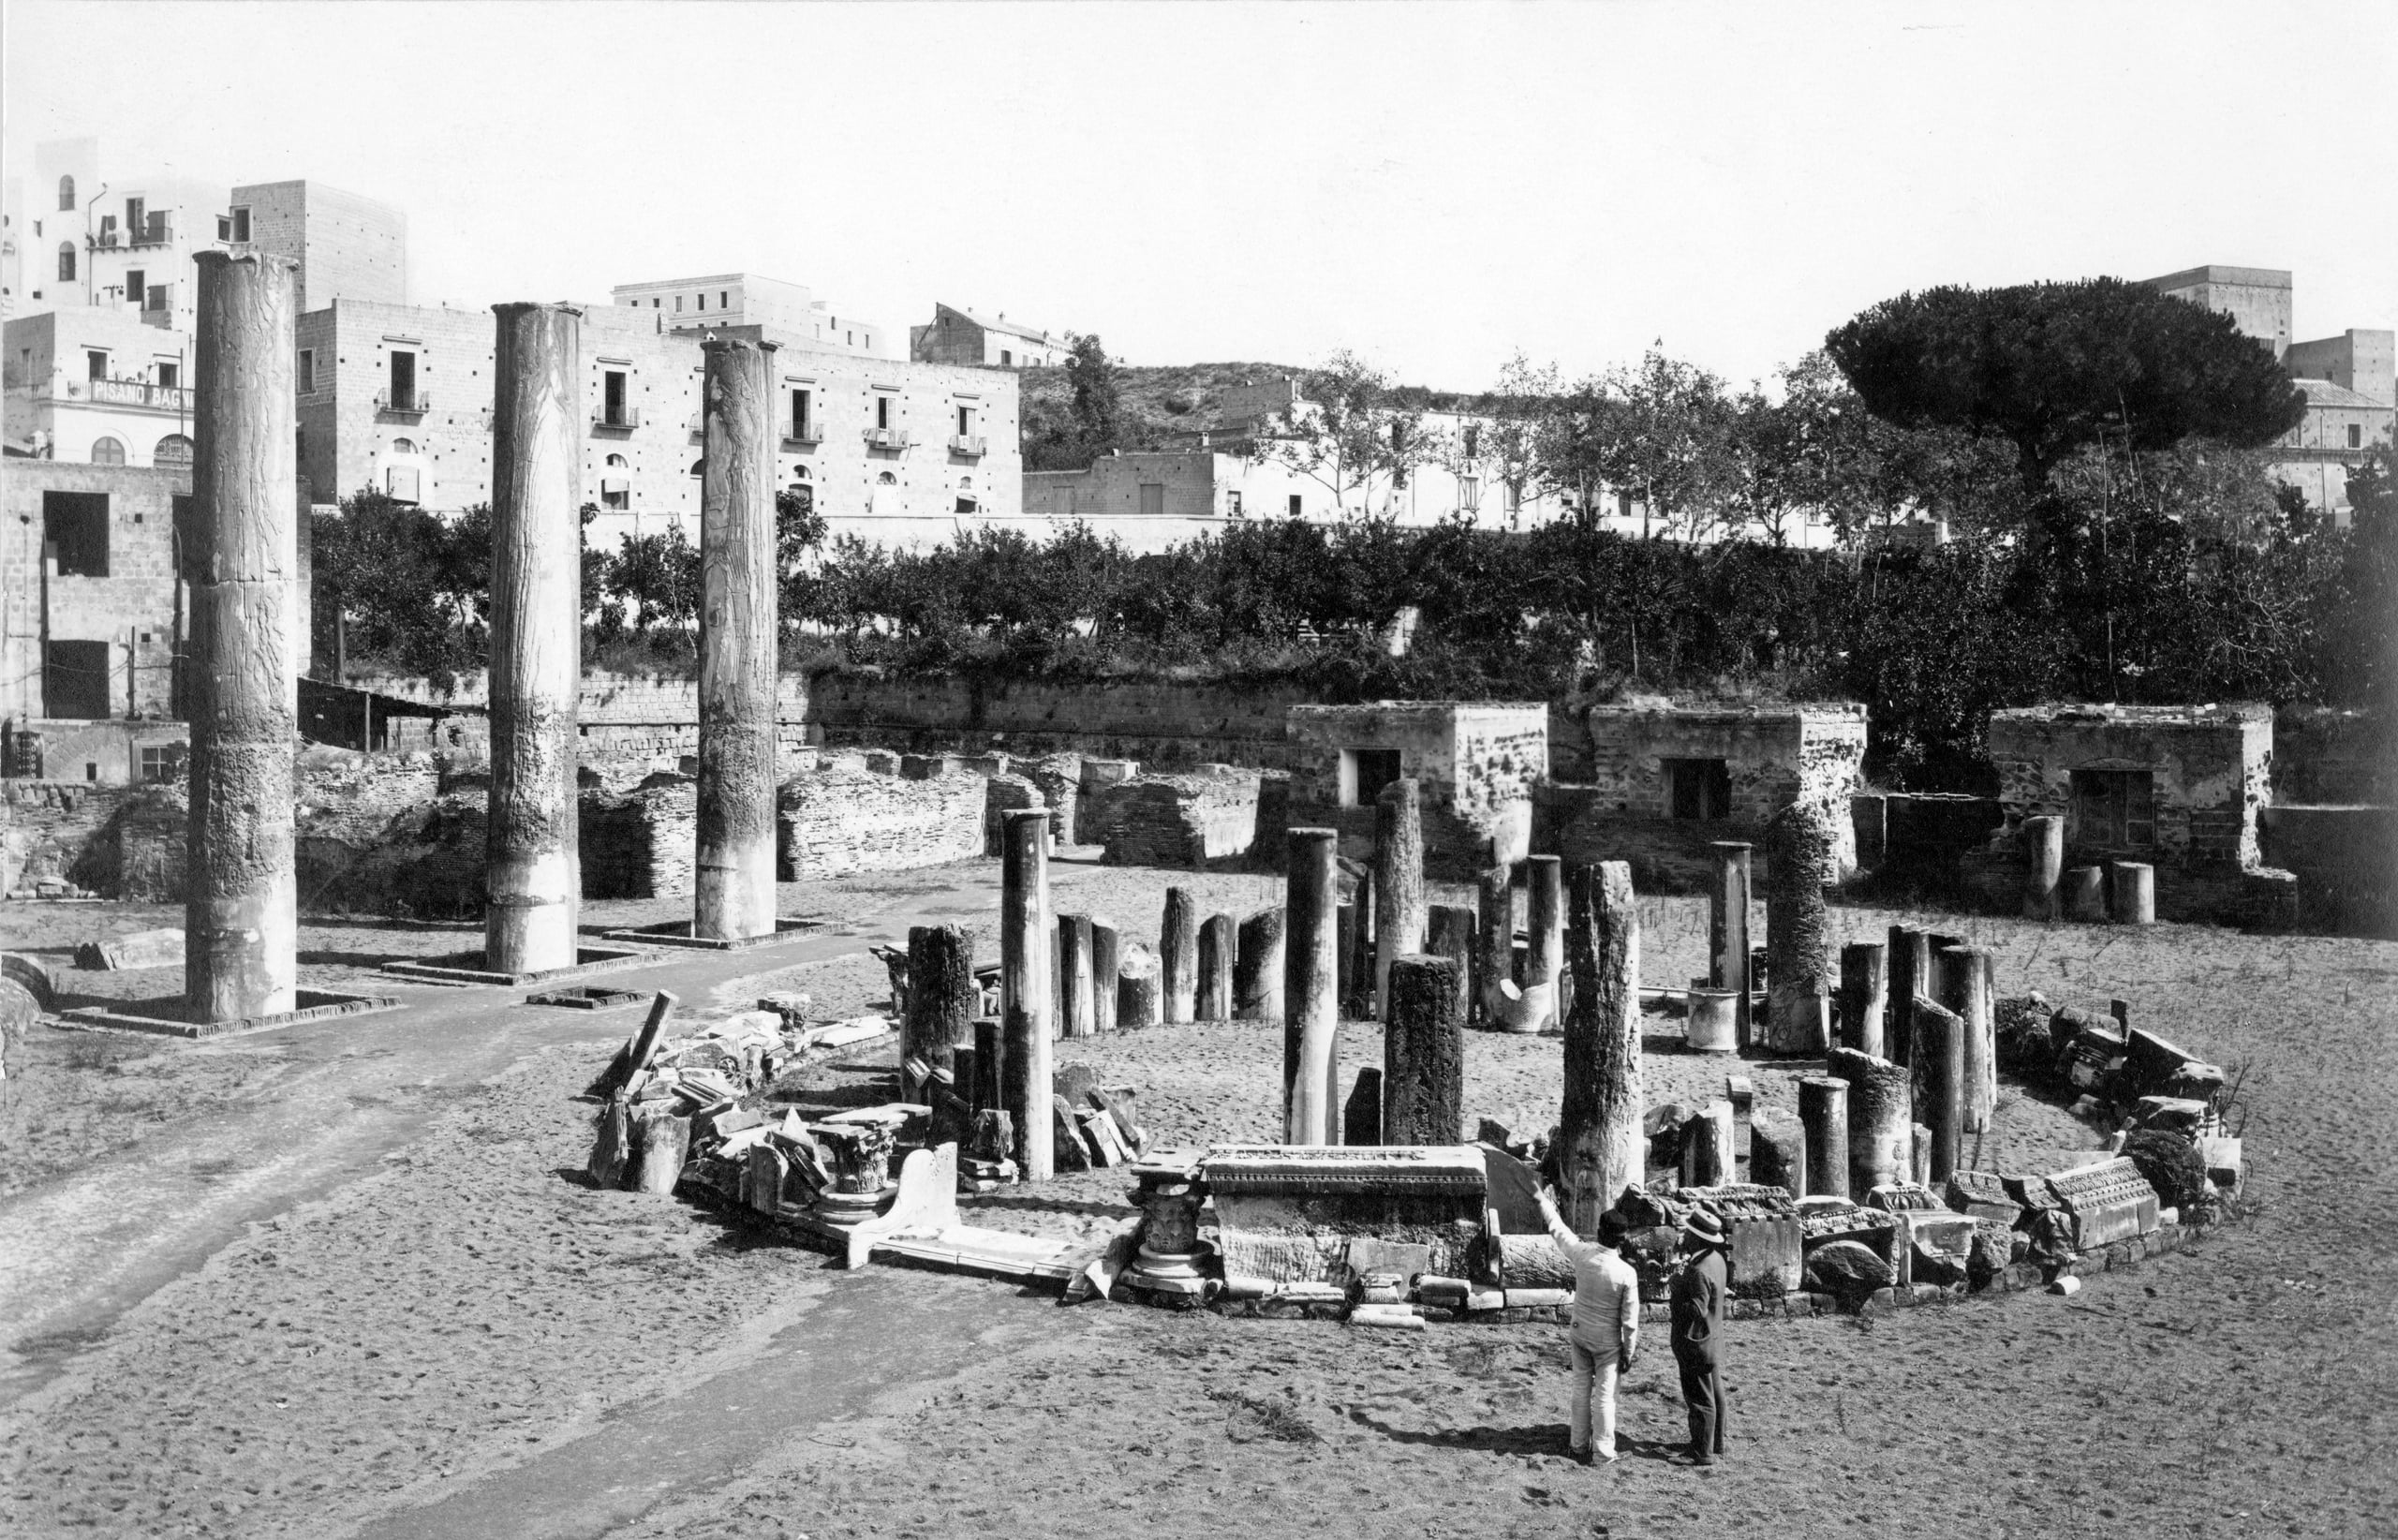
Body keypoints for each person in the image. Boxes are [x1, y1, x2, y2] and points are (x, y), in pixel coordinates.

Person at [1534, 1185, 1638, 1464]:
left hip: (1580, 1333)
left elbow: (1560, 1231)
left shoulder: (1583, 1254)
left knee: (1580, 1390)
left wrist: (1544, 1202)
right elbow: (1629, 1322)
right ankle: (1602, 1451)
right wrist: (1629, 1351)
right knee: (1604, 1397)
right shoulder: (1626, 1273)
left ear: (1599, 1232)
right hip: (1608, 1342)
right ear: (1622, 1240)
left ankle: (1578, 1444)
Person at [1669, 1207, 1731, 1465]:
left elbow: (1696, 1309)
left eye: (1689, 1233)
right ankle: (1717, 1442)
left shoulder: (1698, 1270)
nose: (1685, 1236)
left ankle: (1701, 1452)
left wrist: (1676, 1289)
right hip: (1713, 1339)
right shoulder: (1716, 1259)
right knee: (1715, 1392)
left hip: (1696, 1342)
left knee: (1699, 1398)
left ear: (1699, 1239)